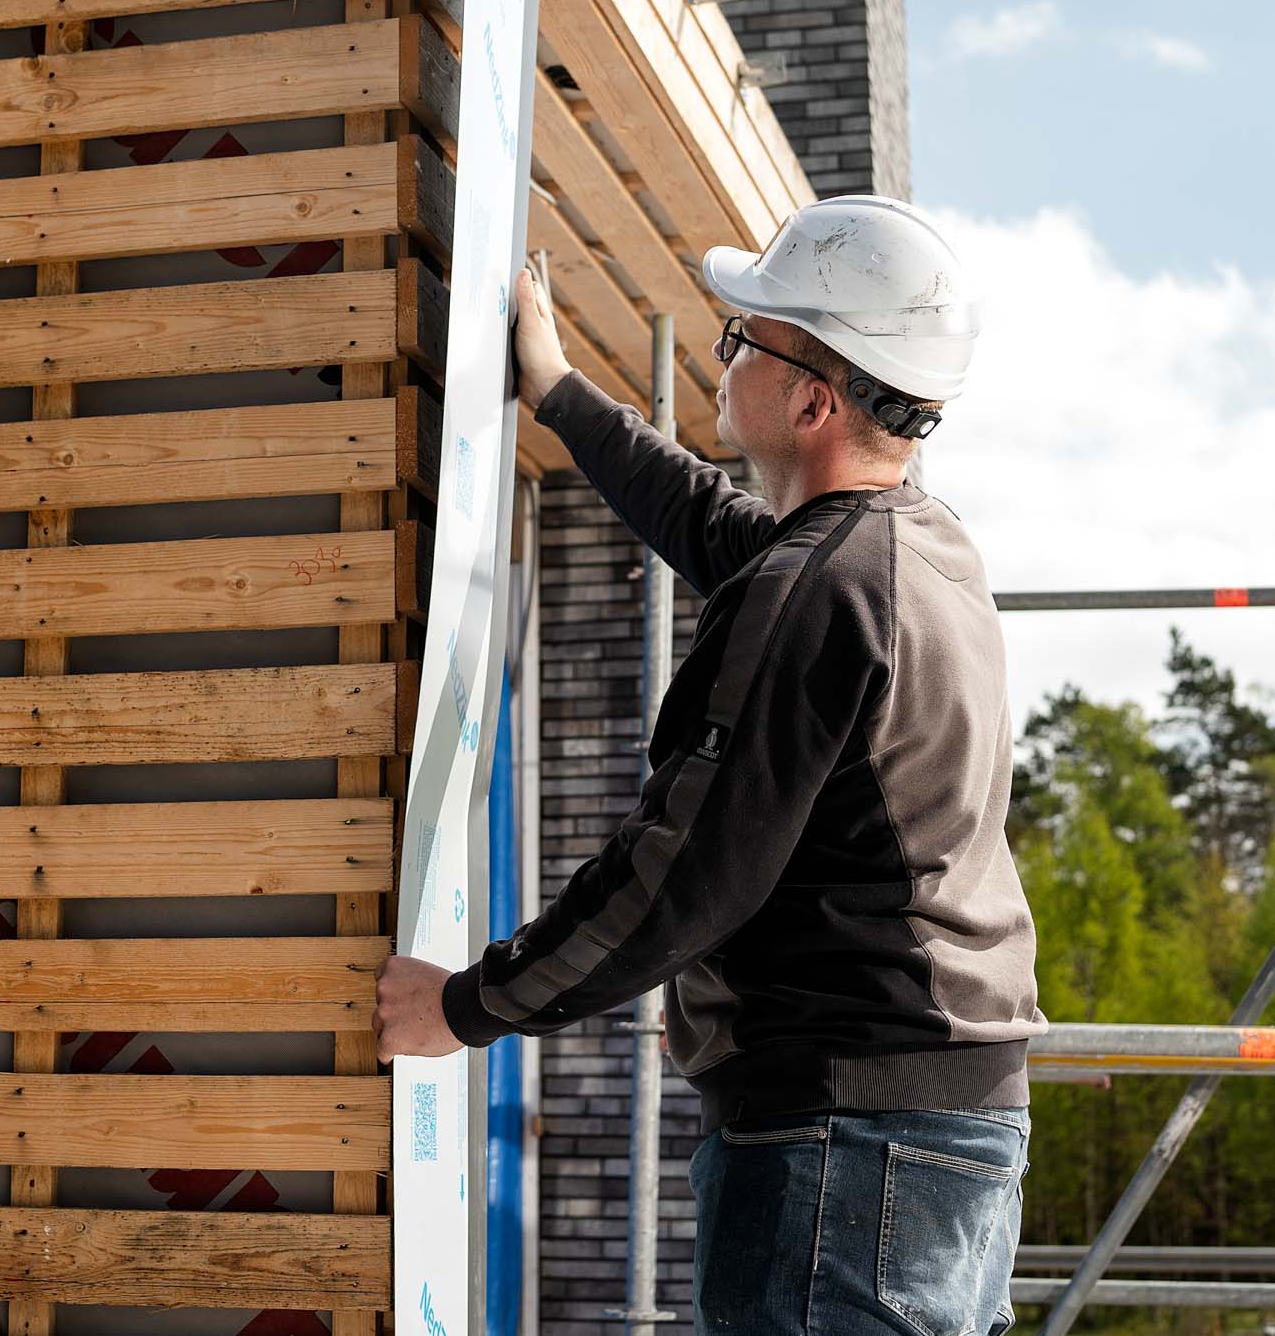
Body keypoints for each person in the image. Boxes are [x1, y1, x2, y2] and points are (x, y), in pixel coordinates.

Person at [375, 196, 1044, 1335]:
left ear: (813, 399)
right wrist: (557, 389)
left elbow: (678, 877)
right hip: (937, 1134)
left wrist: (465, 1005)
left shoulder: (818, 589)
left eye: (743, 339)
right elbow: (708, 520)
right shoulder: (913, 550)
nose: (721, 354)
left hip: (844, 1139)